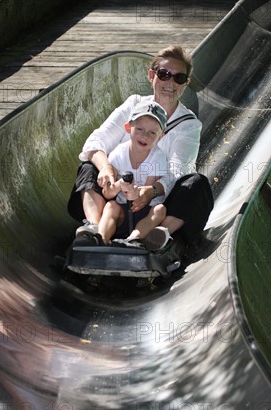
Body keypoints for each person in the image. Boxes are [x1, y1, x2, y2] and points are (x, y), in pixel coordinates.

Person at [67, 44, 213, 253]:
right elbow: (95, 141)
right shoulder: (133, 105)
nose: (170, 82)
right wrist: (107, 168)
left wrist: (151, 190)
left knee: (197, 184)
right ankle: (96, 228)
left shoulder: (189, 124)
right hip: (117, 201)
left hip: (156, 206)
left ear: (185, 84)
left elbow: (179, 169)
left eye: (178, 78)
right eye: (164, 74)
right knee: (89, 166)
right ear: (151, 75)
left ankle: (156, 235)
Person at [75, 99, 171, 249]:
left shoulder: (157, 157)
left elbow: (148, 192)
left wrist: (135, 191)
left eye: (152, 133)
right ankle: (100, 238)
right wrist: (120, 184)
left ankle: (136, 239)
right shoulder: (119, 153)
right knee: (111, 206)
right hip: (122, 210)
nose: (144, 136)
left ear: (161, 136)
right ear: (128, 128)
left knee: (160, 210)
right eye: (139, 129)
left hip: (143, 208)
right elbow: (108, 193)